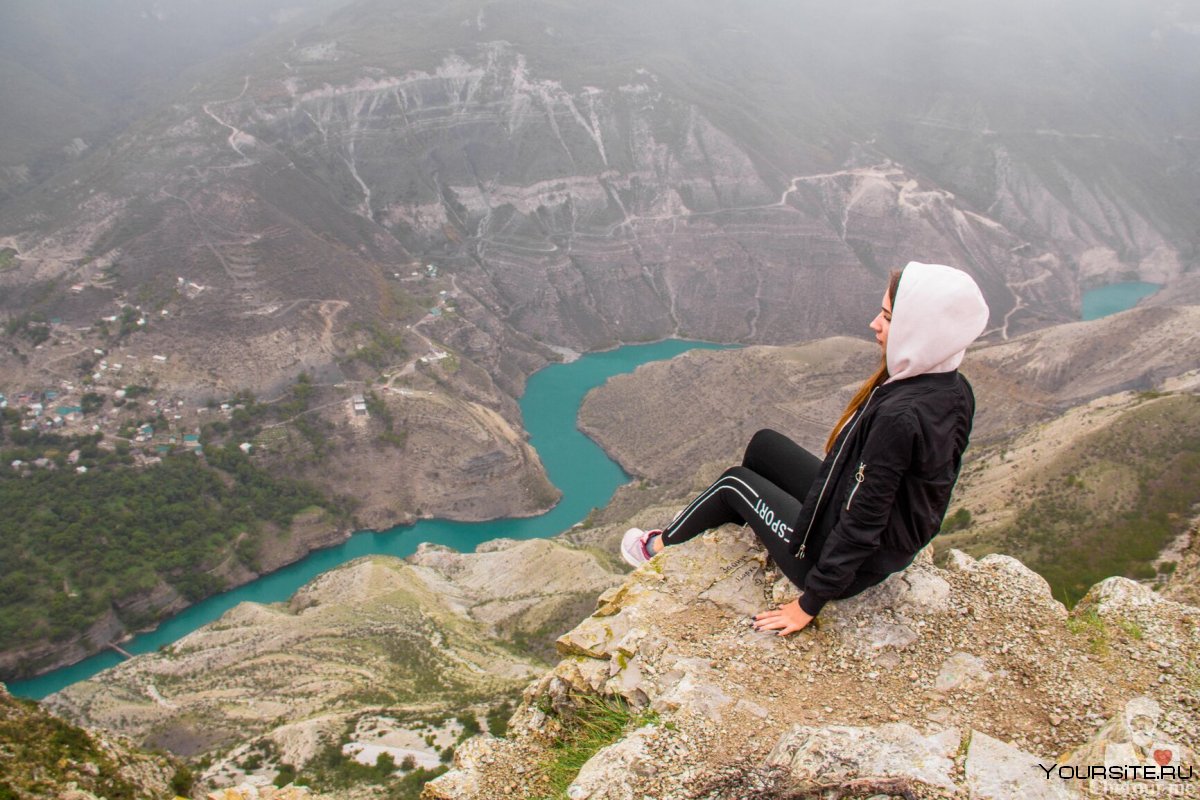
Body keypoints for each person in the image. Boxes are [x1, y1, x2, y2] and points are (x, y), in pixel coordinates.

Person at [620, 261, 989, 636]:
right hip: (875, 540)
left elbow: (865, 517)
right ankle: (747, 523)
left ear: (919, 330)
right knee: (764, 445)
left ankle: (656, 547)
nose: (874, 324)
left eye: (888, 317)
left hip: (837, 566)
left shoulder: (901, 414)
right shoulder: (952, 388)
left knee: (734, 483)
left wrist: (809, 602)